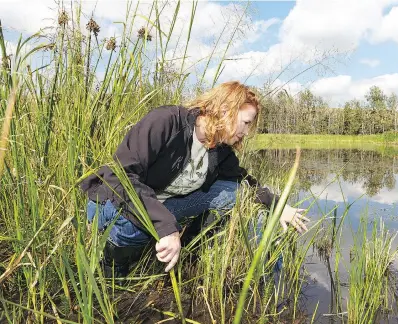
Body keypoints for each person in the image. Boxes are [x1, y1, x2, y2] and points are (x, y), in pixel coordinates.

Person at [80, 81, 309, 277]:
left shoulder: (220, 148)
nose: (247, 131)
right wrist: (166, 227)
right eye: (246, 122)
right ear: (226, 110)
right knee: (132, 222)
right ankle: (113, 267)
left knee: (231, 192)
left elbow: (242, 180)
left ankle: (187, 247)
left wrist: (278, 206)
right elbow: (122, 177)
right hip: (112, 204)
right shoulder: (166, 121)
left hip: (162, 206)